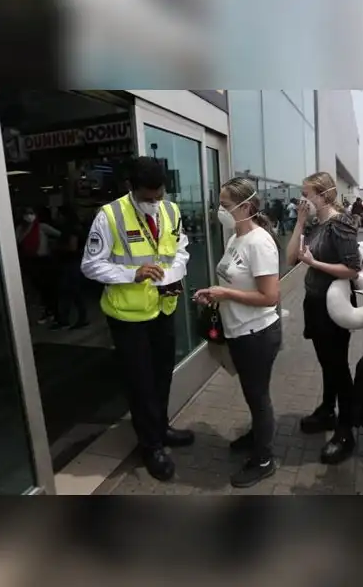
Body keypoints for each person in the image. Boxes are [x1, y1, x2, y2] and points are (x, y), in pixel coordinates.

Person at [80, 156, 193, 482]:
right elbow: (91, 265)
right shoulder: (110, 215)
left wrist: (173, 275)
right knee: (140, 382)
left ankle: (161, 427)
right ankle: (151, 445)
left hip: (163, 307)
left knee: (162, 376)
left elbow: (181, 249)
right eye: (148, 197)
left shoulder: (170, 211)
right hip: (128, 315)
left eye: (159, 194)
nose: (155, 202)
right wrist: (133, 273)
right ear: (131, 188)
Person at [195, 178, 283, 488]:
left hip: (256, 334)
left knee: (258, 397)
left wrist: (226, 295)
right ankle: (256, 436)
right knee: (251, 392)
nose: (220, 210)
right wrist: (214, 293)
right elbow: (232, 281)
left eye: (226, 205)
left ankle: (264, 459)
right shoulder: (235, 237)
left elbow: (269, 296)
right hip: (238, 331)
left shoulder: (259, 242)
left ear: (246, 207)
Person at [286, 172, 362, 464]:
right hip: (314, 302)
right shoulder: (316, 224)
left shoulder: (339, 224)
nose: (302, 198)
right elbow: (291, 258)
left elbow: (352, 268)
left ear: (323, 194)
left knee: (338, 365)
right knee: (326, 361)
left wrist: (315, 262)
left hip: (335, 304)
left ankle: (346, 430)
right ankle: (328, 410)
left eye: (307, 193)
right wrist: (300, 221)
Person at [16, 206, 62, 325]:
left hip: (44, 261)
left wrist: (53, 247)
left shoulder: (42, 227)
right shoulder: (20, 229)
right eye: (27, 213)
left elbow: (60, 235)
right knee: (39, 289)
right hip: (30, 261)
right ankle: (47, 310)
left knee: (49, 288)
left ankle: (53, 311)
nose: (29, 216)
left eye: (31, 213)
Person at [53, 207, 90, 330]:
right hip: (74, 262)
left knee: (71, 292)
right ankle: (70, 319)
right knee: (72, 292)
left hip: (71, 263)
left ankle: (72, 319)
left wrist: (56, 247)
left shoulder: (72, 230)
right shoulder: (77, 228)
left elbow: (72, 247)